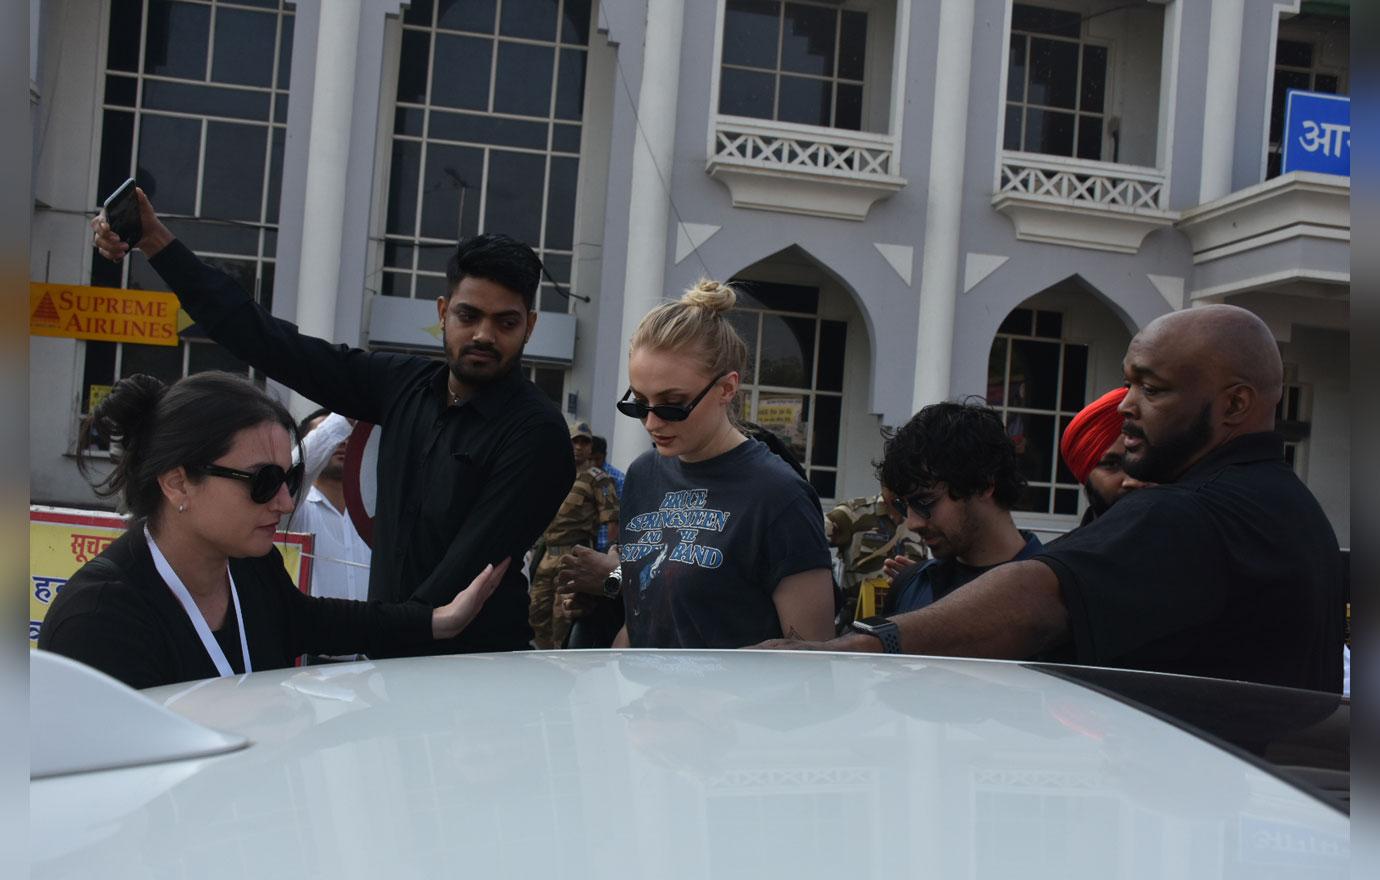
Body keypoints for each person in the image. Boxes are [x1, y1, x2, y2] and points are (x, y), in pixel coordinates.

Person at [760, 305, 1344, 693]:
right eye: (1129, 381)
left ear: (1236, 405)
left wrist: (856, 649)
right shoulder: (1289, 507)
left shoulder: (1197, 513)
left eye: (1153, 388)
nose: (1125, 406)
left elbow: (1040, 597)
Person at [92, 190, 573, 655]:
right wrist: (157, 243)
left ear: (529, 326)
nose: (484, 335)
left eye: (505, 323)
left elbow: (459, 579)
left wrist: (359, 638)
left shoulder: (537, 435)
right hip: (392, 658)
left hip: (478, 678)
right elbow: (268, 341)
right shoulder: (403, 384)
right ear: (443, 312)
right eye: (469, 315)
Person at [38, 373, 508, 690]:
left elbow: (313, 620)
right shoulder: (99, 622)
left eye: (287, 480)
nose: (284, 503)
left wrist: (436, 621)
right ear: (177, 481)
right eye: (263, 483)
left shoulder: (249, 567)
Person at [607, 279, 835, 648]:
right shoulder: (642, 475)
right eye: (639, 403)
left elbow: (813, 655)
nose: (651, 422)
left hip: (741, 706)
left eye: (672, 404)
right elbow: (641, 620)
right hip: (645, 702)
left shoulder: (779, 496)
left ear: (726, 388)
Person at [876, 401, 1044, 615]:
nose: (912, 523)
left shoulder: (1056, 591)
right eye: (903, 505)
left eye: (925, 502)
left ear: (983, 485)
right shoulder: (912, 587)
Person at [528, 419, 619, 649]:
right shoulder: (554, 473)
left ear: (590, 447)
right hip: (546, 555)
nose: (579, 447)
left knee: (564, 621)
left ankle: (561, 676)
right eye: (575, 441)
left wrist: (603, 561)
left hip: (573, 557)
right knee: (536, 617)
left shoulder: (597, 478)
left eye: (584, 442)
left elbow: (611, 523)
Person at [825, 487, 926, 627]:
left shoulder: (922, 517)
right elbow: (811, 534)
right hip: (857, 620)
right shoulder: (853, 513)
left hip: (906, 619)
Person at [1058, 387, 1149, 526]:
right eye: (1112, 465)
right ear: (1085, 474)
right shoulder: (1064, 548)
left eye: (1146, 462)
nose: (1133, 481)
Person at [590, 435, 625, 554]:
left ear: (604, 456)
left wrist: (610, 548)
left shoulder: (618, 479)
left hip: (604, 544)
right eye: (591, 459)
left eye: (597, 459)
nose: (594, 464)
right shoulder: (583, 476)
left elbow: (617, 519)